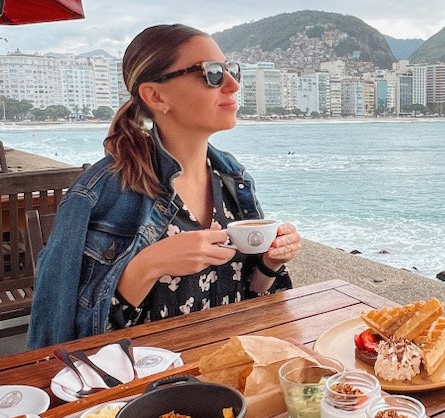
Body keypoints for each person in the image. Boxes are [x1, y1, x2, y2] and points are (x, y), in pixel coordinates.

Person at [28, 24, 301, 348]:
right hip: (149, 392)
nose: (232, 84)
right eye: (212, 73)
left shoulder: (232, 177)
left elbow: (252, 297)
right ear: (156, 95)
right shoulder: (98, 195)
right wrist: (148, 265)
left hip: (228, 374)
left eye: (231, 70)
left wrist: (269, 264)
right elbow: (63, 341)